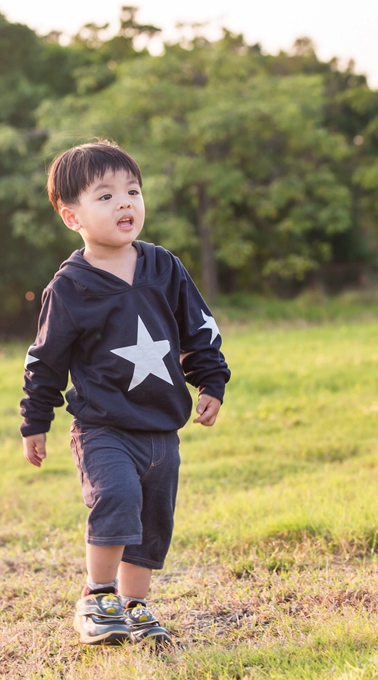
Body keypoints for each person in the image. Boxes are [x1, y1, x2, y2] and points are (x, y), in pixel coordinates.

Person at [19, 139, 231, 647]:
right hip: (103, 426)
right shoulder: (70, 288)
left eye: (132, 191)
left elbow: (198, 328)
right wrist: (35, 419)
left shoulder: (163, 267)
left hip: (161, 427)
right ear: (72, 217)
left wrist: (211, 380)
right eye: (106, 196)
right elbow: (45, 359)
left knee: (152, 522)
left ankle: (135, 606)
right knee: (115, 498)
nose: (125, 204)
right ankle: (98, 597)